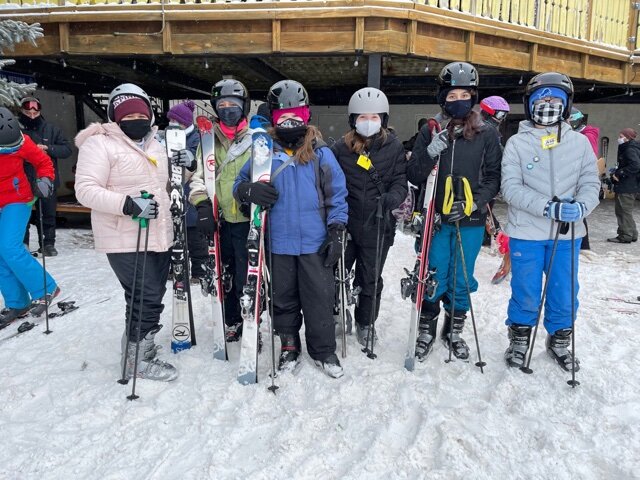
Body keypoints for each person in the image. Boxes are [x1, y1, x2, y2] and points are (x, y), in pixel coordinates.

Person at [233, 79, 348, 378]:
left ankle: (324, 351)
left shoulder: (321, 154)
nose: (290, 122)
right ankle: (289, 346)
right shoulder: (263, 153)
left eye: (296, 116)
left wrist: (336, 230)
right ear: (273, 118)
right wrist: (249, 191)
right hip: (279, 243)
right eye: (283, 117)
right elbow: (238, 186)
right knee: (283, 298)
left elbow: (337, 195)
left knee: (319, 298)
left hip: (315, 242)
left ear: (307, 116)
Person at [75, 83, 177, 382]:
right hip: (123, 235)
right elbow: (85, 190)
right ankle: (136, 361)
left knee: (151, 295)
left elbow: (162, 186)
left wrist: (186, 166)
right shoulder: (100, 144)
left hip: (156, 233)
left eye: (139, 112)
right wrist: (127, 204)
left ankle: (140, 347)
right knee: (144, 296)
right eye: (126, 114)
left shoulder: (155, 144)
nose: (135, 118)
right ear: (115, 118)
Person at [501, 72, 600, 371]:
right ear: (529, 105)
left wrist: (581, 206)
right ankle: (519, 339)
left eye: (554, 99)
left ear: (566, 105)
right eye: (540, 99)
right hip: (526, 232)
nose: (547, 105)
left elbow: (590, 182)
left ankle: (559, 340)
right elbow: (511, 188)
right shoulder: (517, 144)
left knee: (564, 290)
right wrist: (547, 207)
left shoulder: (580, 144)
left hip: (566, 235)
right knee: (526, 290)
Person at [407, 62, 502, 362]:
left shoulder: (487, 134)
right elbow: (414, 172)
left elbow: (493, 177)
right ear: (442, 97)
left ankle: (454, 329)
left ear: (473, 97)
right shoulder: (431, 129)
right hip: (436, 219)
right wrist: (429, 152)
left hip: (470, 220)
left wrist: (474, 202)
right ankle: (427, 328)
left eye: (464, 94)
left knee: (461, 276)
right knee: (433, 273)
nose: (457, 100)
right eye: (451, 95)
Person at [330, 87, 407, 347]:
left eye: (374, 117)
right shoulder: (341, 148)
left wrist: (391, 199)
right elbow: (328, 180)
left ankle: (366, 321)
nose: (368, 122)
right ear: (353, 120)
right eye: (363, 117)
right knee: (336, 272)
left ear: (383, 120)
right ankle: (339, 312)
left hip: (377, 224)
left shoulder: (393, 147)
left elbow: (400, 182)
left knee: (370, 277)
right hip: (347, 223)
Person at [188, 79, 253, 342]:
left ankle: (250, 319)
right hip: (221, 221)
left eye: (233, 104)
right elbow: (197, 178)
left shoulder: (256, 140)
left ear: (243, 107)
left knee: (247, 275)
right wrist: (202, 205)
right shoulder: (207, 141)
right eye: (222, 105)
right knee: (224, 272)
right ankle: (231, 319)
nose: (228, 109)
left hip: (249, 220)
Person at [0, 107, 60, 327]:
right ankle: (17, 302)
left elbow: (43, 162)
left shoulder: (22, 140)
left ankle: (46, 288)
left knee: (9, 247)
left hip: (18, 198)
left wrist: (45, 180)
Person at [19, 96, 72, 257]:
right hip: (23, 180)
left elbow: (67, 150)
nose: (32, 115)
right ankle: (24, 244)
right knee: (23, 215)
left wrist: (48, 148)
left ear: (40, 111)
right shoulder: (16, 131)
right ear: (22, 111)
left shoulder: (51, 129)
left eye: (35, 112)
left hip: (47, 180)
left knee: (48, 214)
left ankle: (48, 244)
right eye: (28, 112)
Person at [166, 100, 207, 280]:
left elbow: (201, 163)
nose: (173, 125)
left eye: (177, 122)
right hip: (173, 195)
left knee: (195, 238)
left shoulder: (196, 140)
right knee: (174, 235)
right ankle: (174, 267)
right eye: (171, 121)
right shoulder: (166, 138)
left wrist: (191, 161)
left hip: (190, 195)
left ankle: (199, 270)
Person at [479, 96, 512, 284]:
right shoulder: (481, 128)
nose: (501, 118)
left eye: (504, 115)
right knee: (487, 220)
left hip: (485, 186)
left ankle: (507, 252)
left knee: (489, 220)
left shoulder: (492, 132)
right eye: (500, 114)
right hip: (480, 184)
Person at [568, 107, 600, 251]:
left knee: (578, 211)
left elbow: (587, 159)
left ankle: (583, 245)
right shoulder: (579, 134)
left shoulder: (586, 136)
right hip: (574, 176)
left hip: (579, 178)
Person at [607, 128, 640, 243]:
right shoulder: (631, 147)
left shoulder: (630, 149)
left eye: (621, 136)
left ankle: (625, 236)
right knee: (626, 211)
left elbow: (635, 165)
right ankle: (633, 234)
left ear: (628, 137)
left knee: (622, 211)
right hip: (630, 184)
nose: (619, 139)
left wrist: (620, 174)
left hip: (627, 185)